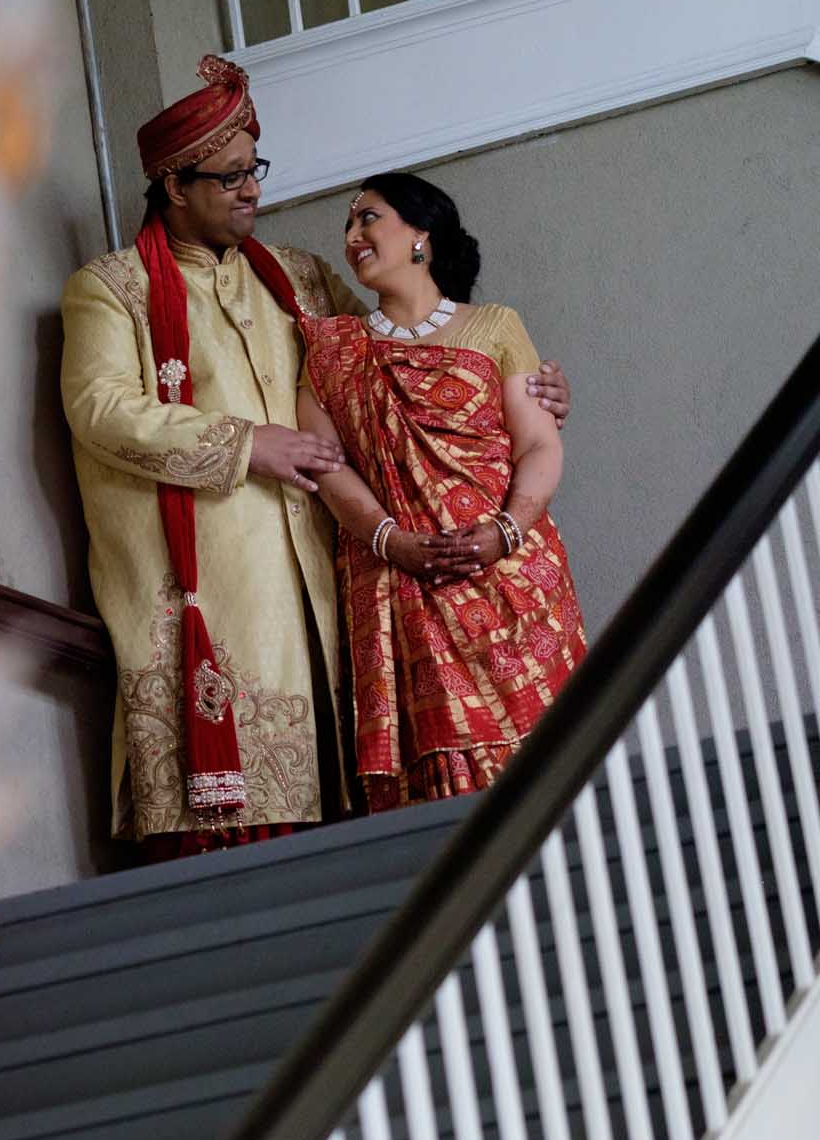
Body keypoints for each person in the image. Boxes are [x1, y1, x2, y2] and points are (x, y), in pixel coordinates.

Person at [59, 57, 571, 860]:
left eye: (252, 171)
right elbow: (98, 409)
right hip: (219, 593)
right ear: (172, 185)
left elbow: (405, 355)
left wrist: (528, 392)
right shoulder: (113, 288)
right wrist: (243, 442)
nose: (251, 190)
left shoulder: (300, 280)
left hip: (336, 590)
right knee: (235, 843)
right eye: (227, 178)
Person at [296, 173, 585, 810]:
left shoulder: (494, 327)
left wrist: (503, 532)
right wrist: (389, 538)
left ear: (420, 233)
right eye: (347, 227)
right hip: (398, 583)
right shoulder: (332, 351)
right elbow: (325, 464)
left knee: (548, 779)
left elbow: (538, 445)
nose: (351, 237)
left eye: (367, 219)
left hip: (510, 577)